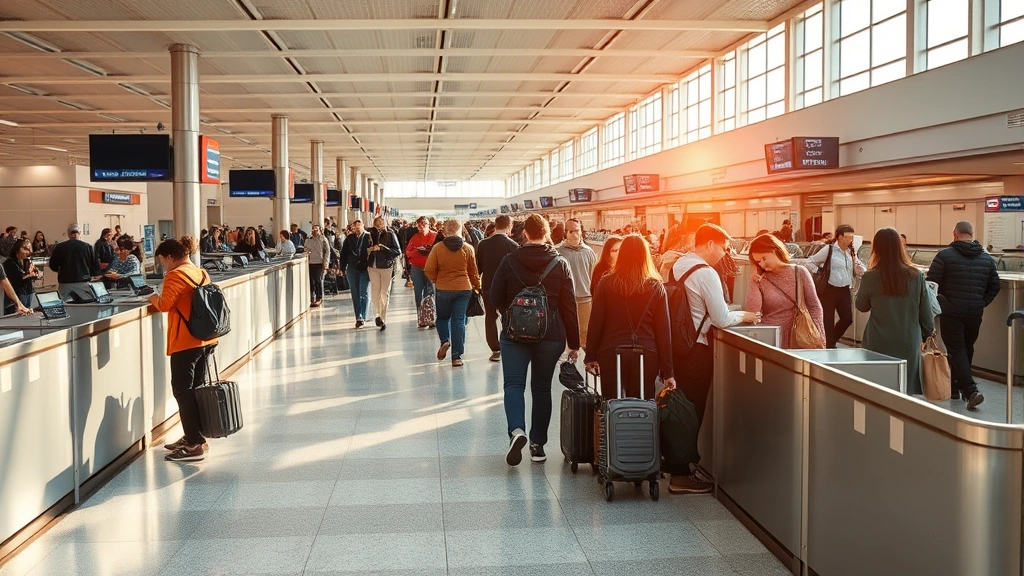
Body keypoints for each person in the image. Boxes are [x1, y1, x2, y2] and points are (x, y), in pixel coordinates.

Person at [670, 224, 759, 494]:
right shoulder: (705, 273)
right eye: (723, 247)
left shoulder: (680, 264)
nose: (724, 253)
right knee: (692, 411)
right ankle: (681, 474)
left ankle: (673, 461)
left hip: (678, 344)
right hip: (696, 349)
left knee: (678, 408)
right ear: (709, 244)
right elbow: (720, 318)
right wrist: (744, 316)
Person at [490, 214, 579, 465]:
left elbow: (495, 296)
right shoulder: (560, 263)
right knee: (541, 389)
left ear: (525, 234)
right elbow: (569, 307)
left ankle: (516, 430)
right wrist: (574, 343)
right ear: (547, 233)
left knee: (514, 385)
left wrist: (510, 313)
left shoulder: (509, 260)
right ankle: (538, 445)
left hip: (514, 335)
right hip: (550, 336)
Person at [148, 236, 218, 462]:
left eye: (162, 260)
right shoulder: (200, 272)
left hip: (185, 341)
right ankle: (194, 437)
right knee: (195, 389)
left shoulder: (175, 275)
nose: (162, 265)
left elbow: (165, 305)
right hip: (206, 339)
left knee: (182, 391)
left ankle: (194, 443)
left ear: (169, 257)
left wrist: (148, 296)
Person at [585, 235, 675, 400]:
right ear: (645, 255)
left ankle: (612, 425)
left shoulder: (606, 283)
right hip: (646, 353)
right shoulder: (656, 286)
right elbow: (664, 331)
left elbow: (596, 321)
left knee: (611, 403)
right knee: (641, 404)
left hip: (611, 351)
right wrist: (668, 372)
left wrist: (590, 356)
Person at [926, 221, 1001, 409]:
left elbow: (931, 284)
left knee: (957, 349)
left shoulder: (944, 256)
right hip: (975, 312)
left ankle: (970, 390)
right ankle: (953, 388)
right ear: (972, 234)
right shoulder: (986, 258)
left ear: (955, 234)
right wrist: (981, 302)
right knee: (966, 348)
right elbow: (995, 286)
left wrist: (940, 303)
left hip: (951, 311)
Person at [856, 228, 935, 396]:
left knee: (878, 387)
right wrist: (928, 334)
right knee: (905, 389)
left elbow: (861, 306)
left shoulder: (870, 276)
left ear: (876, 248)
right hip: (908, 340)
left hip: (877, 341)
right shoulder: (916, 276)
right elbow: (926, 313)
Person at [744, 234, 826, 349]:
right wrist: (753, 278)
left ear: (775, 250)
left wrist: (819, 337)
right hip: (770, 339)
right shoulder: (759, 279)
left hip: (799, 336)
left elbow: (814, 306)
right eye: (758, 262)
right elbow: (752, 313)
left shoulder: (800, 272)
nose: (762, 264)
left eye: (764, 258)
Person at [424, 219, 481, 367]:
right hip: (464, 289)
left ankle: (445, 340)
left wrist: (437, 280)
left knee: (442, 318)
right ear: (460, 230)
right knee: (459, 321)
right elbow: (473, 272)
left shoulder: (437, 248)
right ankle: (457, 357)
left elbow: (429, 269)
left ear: (445, 231)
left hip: (444, 288)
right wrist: (477, 286)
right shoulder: (468, 248)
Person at [805, 224, 865, 348]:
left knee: (847, 318)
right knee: (828, 320)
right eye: (847, 237)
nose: (850, 240)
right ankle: (829, 346)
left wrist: (861, 269)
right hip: (829, 289)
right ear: (839, 237)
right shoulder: (829, 250)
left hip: (845, 289)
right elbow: (810, 261)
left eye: (851, 237)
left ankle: (831, 341)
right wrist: (819, 271)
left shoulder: (850, 252)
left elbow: (858, 267)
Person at [475, 214, 519, 362]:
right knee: (507, 315)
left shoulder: (483, 244)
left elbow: (479, 268)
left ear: (495, 225)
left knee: (490, 317)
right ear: (509, 226)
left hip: (488, 286)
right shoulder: (513, 246)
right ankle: (508, 343)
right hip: (507, 288)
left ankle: (495, 349)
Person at [556, 218, 598, 350]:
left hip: (585, 299)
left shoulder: (589, 252)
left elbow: (593, 276)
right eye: (570, 231)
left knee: (585, 333)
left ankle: (585, 363)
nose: (573, 234)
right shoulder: (558, 252)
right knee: (565, 332)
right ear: (565, 233)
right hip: (564, 300)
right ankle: (568, 363)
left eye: (576, 230)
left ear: (581, 231)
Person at [49, 224, 100, 299]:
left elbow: (53, 265)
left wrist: (60, 270)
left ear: (69, 234)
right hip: (83, 282)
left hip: (65, 282)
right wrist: (92, 274)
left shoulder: (60, 247)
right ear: (79, 233)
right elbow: (95, 264)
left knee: (66, 306)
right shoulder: (87, 246)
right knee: (86, 305)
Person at [367, 217, 401, 330]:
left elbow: (397, 251)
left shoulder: (390, 234)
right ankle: (377, 314)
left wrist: (382, 248)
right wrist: (370, 249)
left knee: (384, 293)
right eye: (377, 224)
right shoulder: (369, 234)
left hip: (386, 266)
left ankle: (383, 318)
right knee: (375, 292)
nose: (379, 226)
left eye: (381, 224)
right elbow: (364, 249)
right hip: (373, 266)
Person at [405, 216, 438, 322]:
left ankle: (431, 316)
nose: (421, 226)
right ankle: (421, 317)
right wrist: (418, 251)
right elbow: (408, 252)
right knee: (418, 293)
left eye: (424, 224)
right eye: (419, 224)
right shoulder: (414, 237)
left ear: (429, 225)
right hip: (417, 268)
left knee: (430, 292)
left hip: (431, 268)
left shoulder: (435, 236)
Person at [341, 220, 372, 328]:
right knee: (355, 293)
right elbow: (343, 254)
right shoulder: (349, 239)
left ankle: (363, 316)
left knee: (364, 292)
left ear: (363, 226)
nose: (356, 230)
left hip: (365, 269)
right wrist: (342, 267)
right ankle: (358, 316)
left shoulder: (369, 237)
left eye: (358, 227)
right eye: (354, 228)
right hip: (352, 269)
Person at [3, 239, 40, 314]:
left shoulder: (27, 261)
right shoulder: (9, 262)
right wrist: (29, 275)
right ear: (17, 248)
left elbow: (31, 275)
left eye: (29, 249)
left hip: (28, 292)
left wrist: (35, 273)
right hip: (15, 296)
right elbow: (12, 281)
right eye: (25, 249)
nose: (28, 252)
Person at [304, 224, 331, 308]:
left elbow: (327, 251)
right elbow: (305, 248)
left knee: (318, 280)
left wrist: (325, 262)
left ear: (320, 230)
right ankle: (312, 297)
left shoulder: (323, 239)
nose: (314, 232)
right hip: (310, 262)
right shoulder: (308, 239)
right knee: (311, 281)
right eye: (313, 230)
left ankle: (319, 297)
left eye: (316, 230)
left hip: (319, 262)